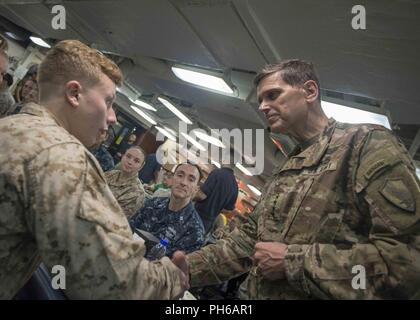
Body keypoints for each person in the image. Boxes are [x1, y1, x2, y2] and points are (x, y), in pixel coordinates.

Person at [181, 59, 420, 299]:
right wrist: (183, 270)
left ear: (309, 91)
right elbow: (247, 241)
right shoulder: (288, 168)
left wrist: (292, 262)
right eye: (261, 100)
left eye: (273, 95)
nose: (263, 107)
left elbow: (407, 261)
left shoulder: (366, 146)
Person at [0, 40, 188, 299]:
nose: (112, 117)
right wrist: (170, 280)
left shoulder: (13, 125)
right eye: (108, 102)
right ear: (74, 94)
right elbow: (115, 285)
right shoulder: (63, 155)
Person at [130, 163, 205, 258]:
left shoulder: (194, 231)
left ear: (196, 189)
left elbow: (173, 268)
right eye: (180, 175)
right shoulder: (153, 203)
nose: (183, 182)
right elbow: (130, 229)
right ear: (173, 179)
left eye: (191, 180)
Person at [194, 165, 239, 234]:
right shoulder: (235, 186)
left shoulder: (217, 173)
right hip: (208, 224)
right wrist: (216, 207)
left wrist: (189, 196)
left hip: (196, 216)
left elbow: (202, 196)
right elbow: (228, 210)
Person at [105, 146, 146, 218]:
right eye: (128, 156)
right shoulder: (111, 174)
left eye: (136, 161)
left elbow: (114, 218)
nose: (130, 162)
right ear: (123, 156)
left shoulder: (137, 193)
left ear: (141, 166)